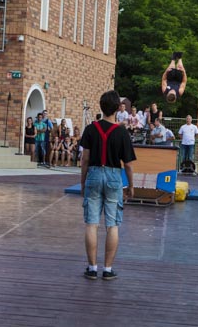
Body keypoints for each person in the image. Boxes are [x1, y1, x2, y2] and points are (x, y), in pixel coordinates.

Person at [80, 90, 136, 280]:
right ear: (118, 108)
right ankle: (108, 269)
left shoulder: (90, 129)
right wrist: (131, 186)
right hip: (113, 176)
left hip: (94, 174)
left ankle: (92, 268)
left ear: (101, 106)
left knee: (92, 223)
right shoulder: (122, 132)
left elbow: (85, 159)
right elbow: (128, 164)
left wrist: (83, 182)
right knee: (112, 225)